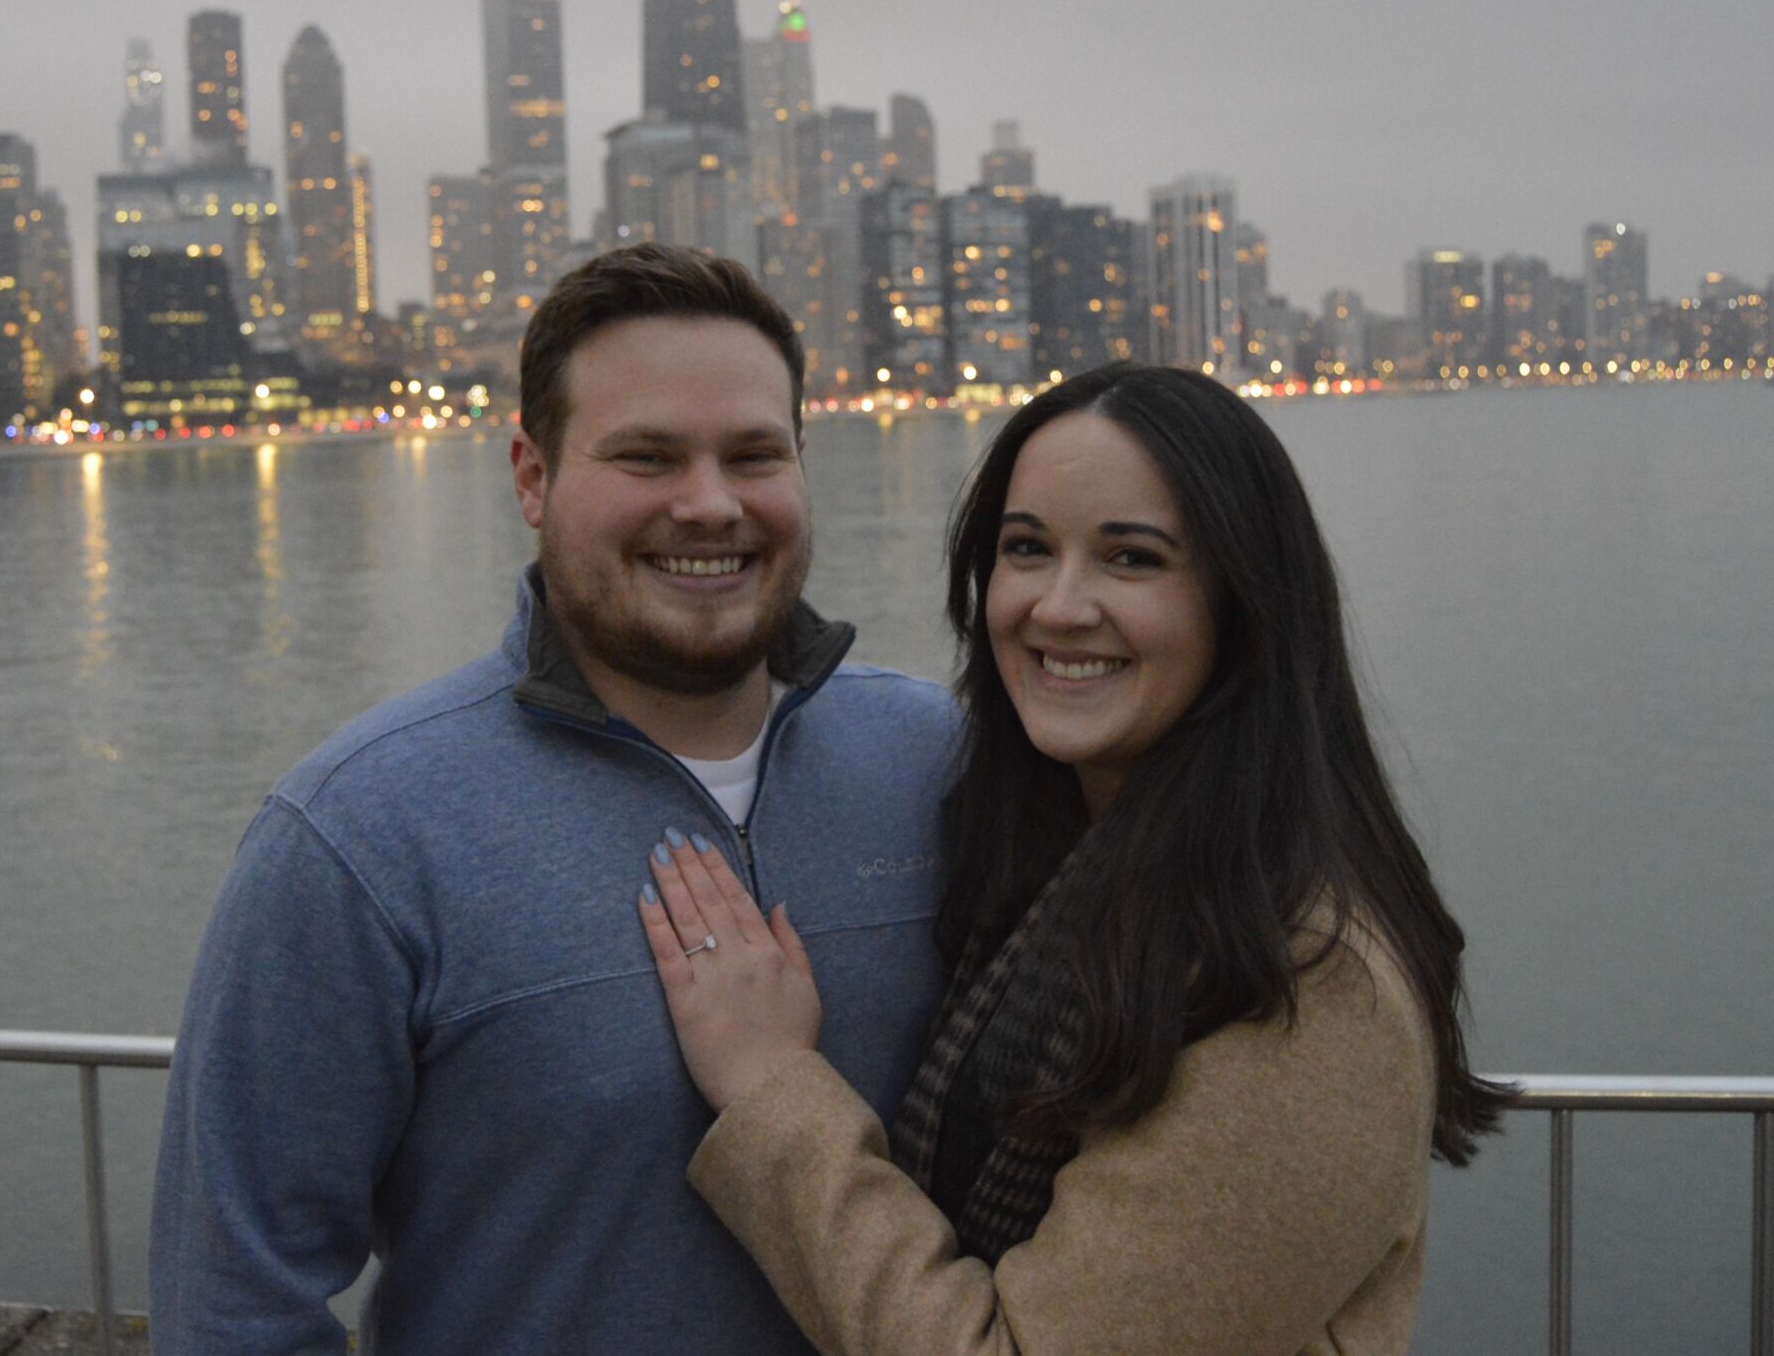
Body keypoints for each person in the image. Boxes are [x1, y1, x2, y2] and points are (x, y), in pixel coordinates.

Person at [150, 243, 960, 1353]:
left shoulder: (943, 763)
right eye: (647, 457)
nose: (711, 504)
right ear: (532, 477)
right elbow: (234, 1302)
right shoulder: (354, 837)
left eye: (753, 454)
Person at [638, 362, 1508, 1356]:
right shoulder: (1070, 881)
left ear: (1245, 603)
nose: (1058, 606)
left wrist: (770, 1089)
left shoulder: (1304, 979)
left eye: (1130, 559)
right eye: (1025, 549)